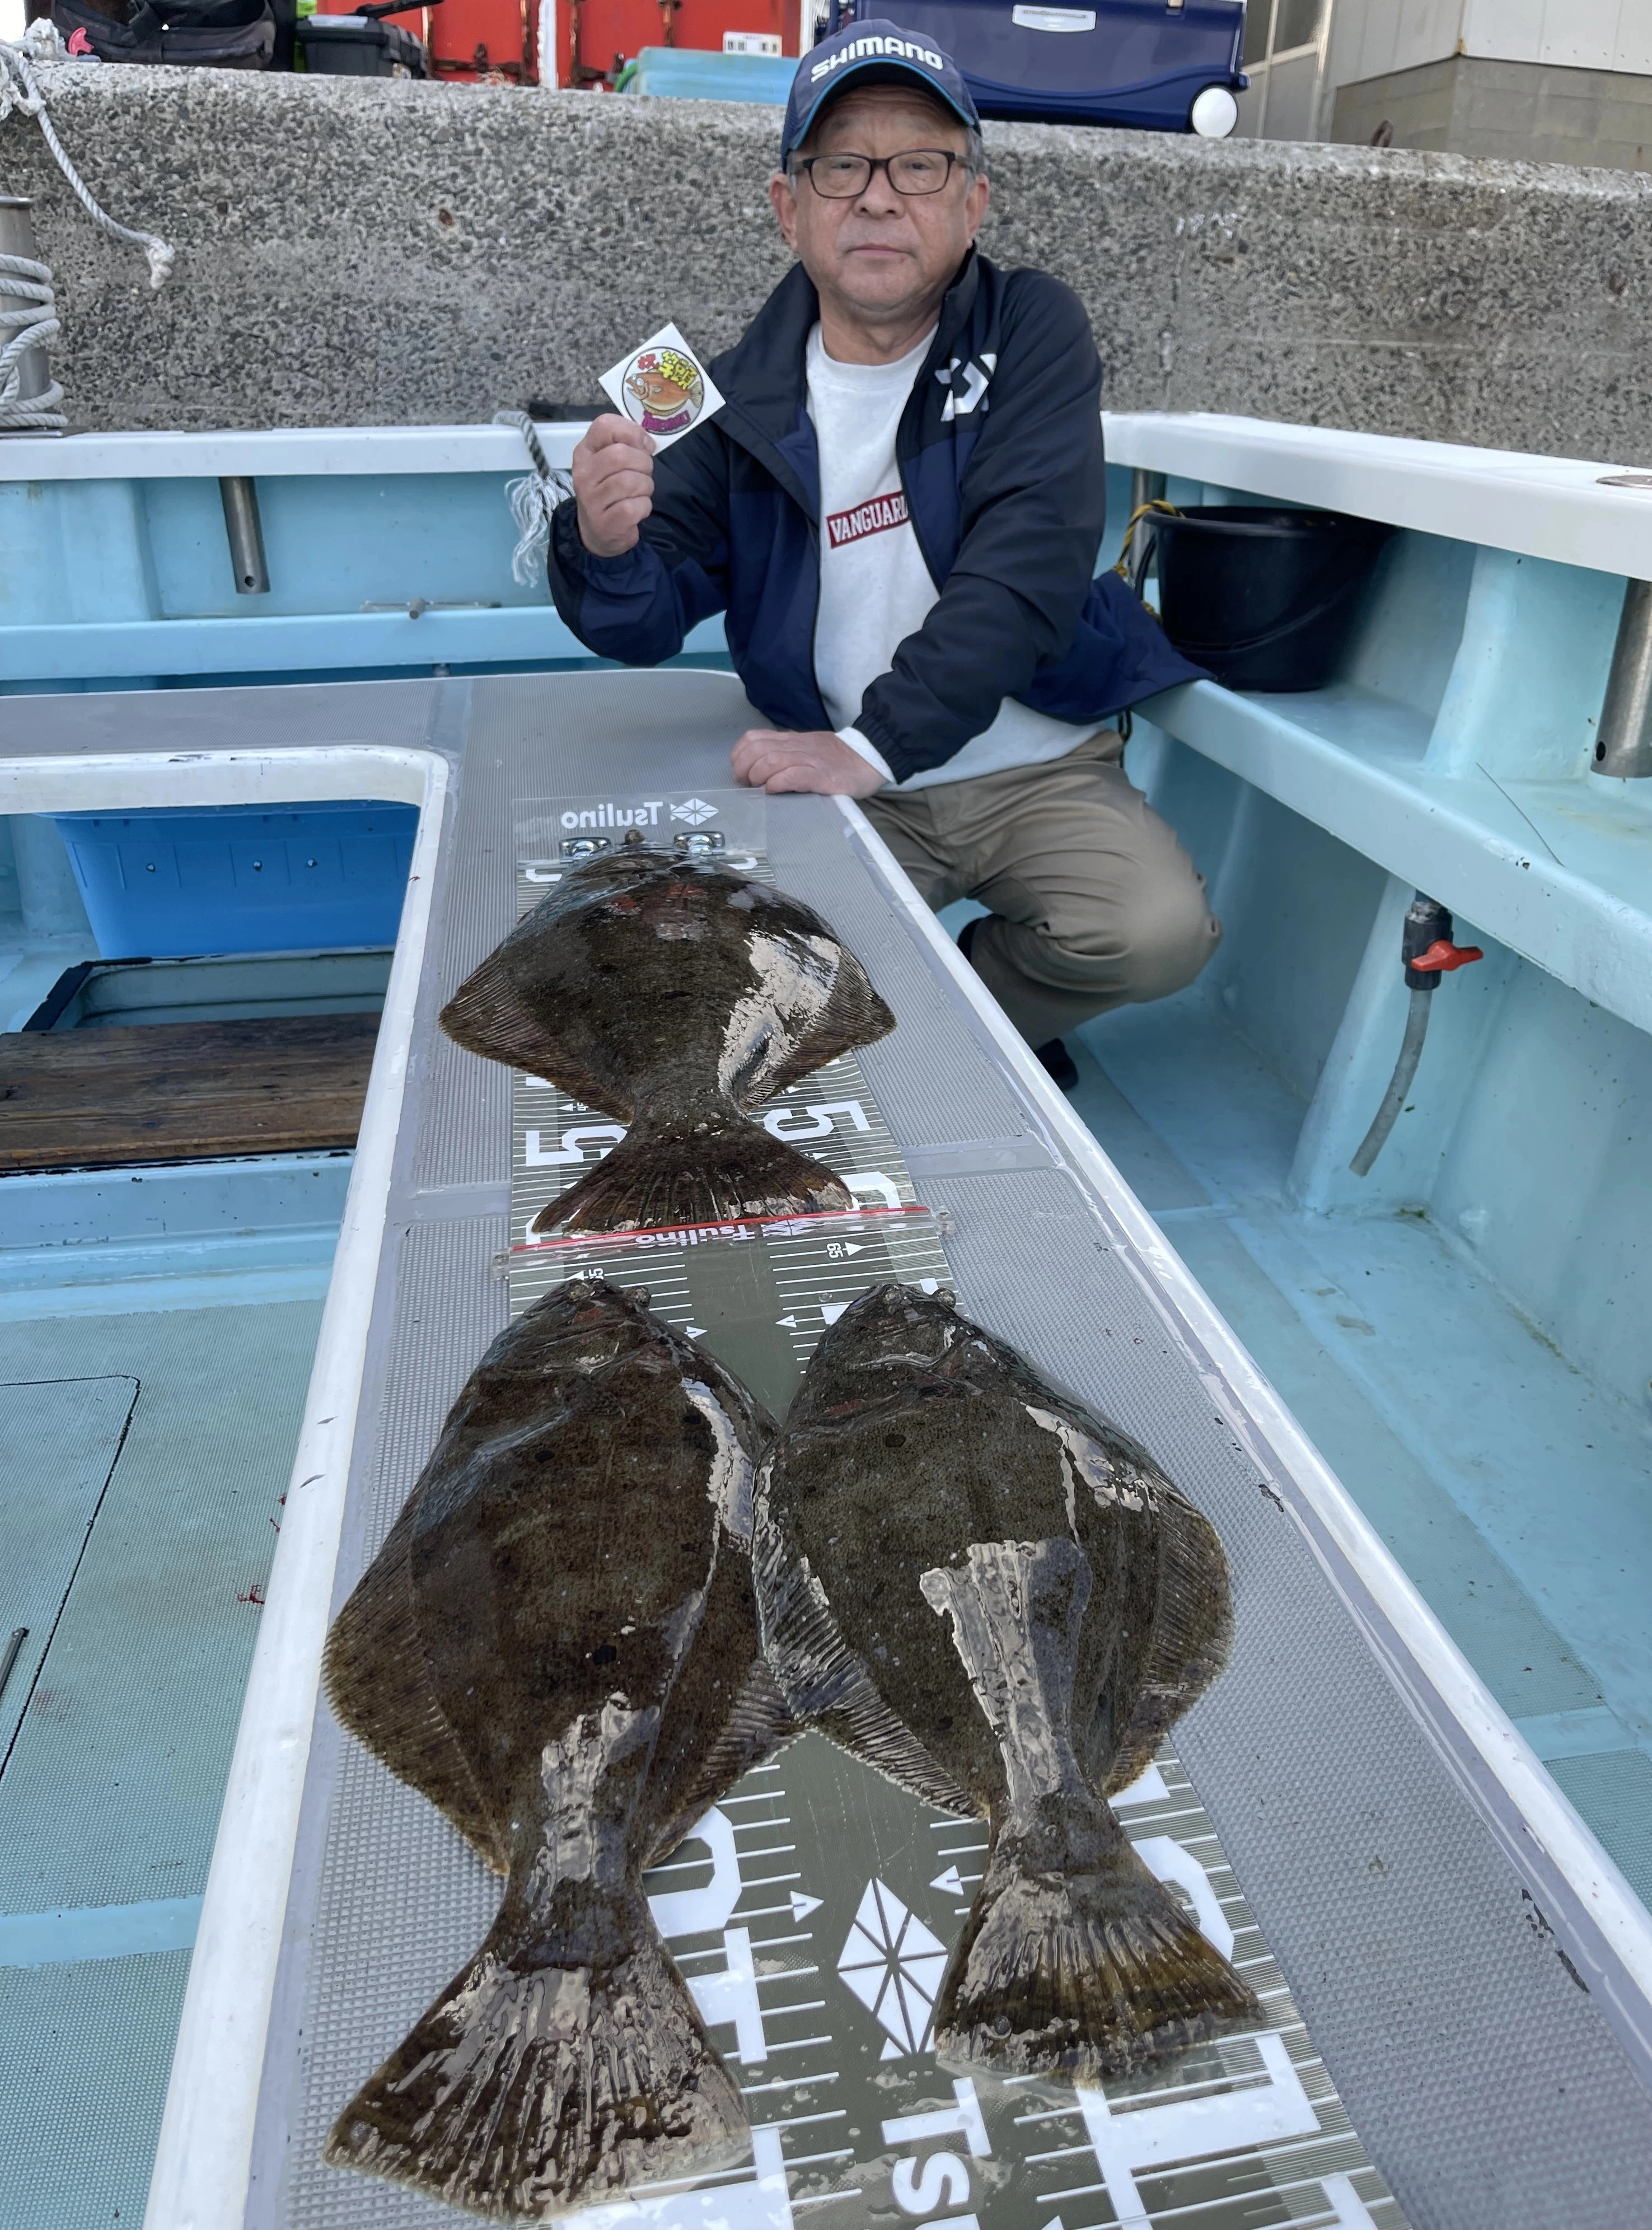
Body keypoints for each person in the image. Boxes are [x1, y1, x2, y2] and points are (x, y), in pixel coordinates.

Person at [550, 19, 1219, 1088]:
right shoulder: (712, 396)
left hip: (1025, 756)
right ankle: (926, 1036)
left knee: (1154, 932)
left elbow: (1030, 567)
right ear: (788, 207)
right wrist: (598, 539)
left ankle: (979, 1004)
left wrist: (873, 746)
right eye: (840, 165)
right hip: (837, 767)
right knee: (751, 1002)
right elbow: (639, 621)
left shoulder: (1033, 327)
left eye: (919, 164)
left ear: (972, 203)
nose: (876, 195)